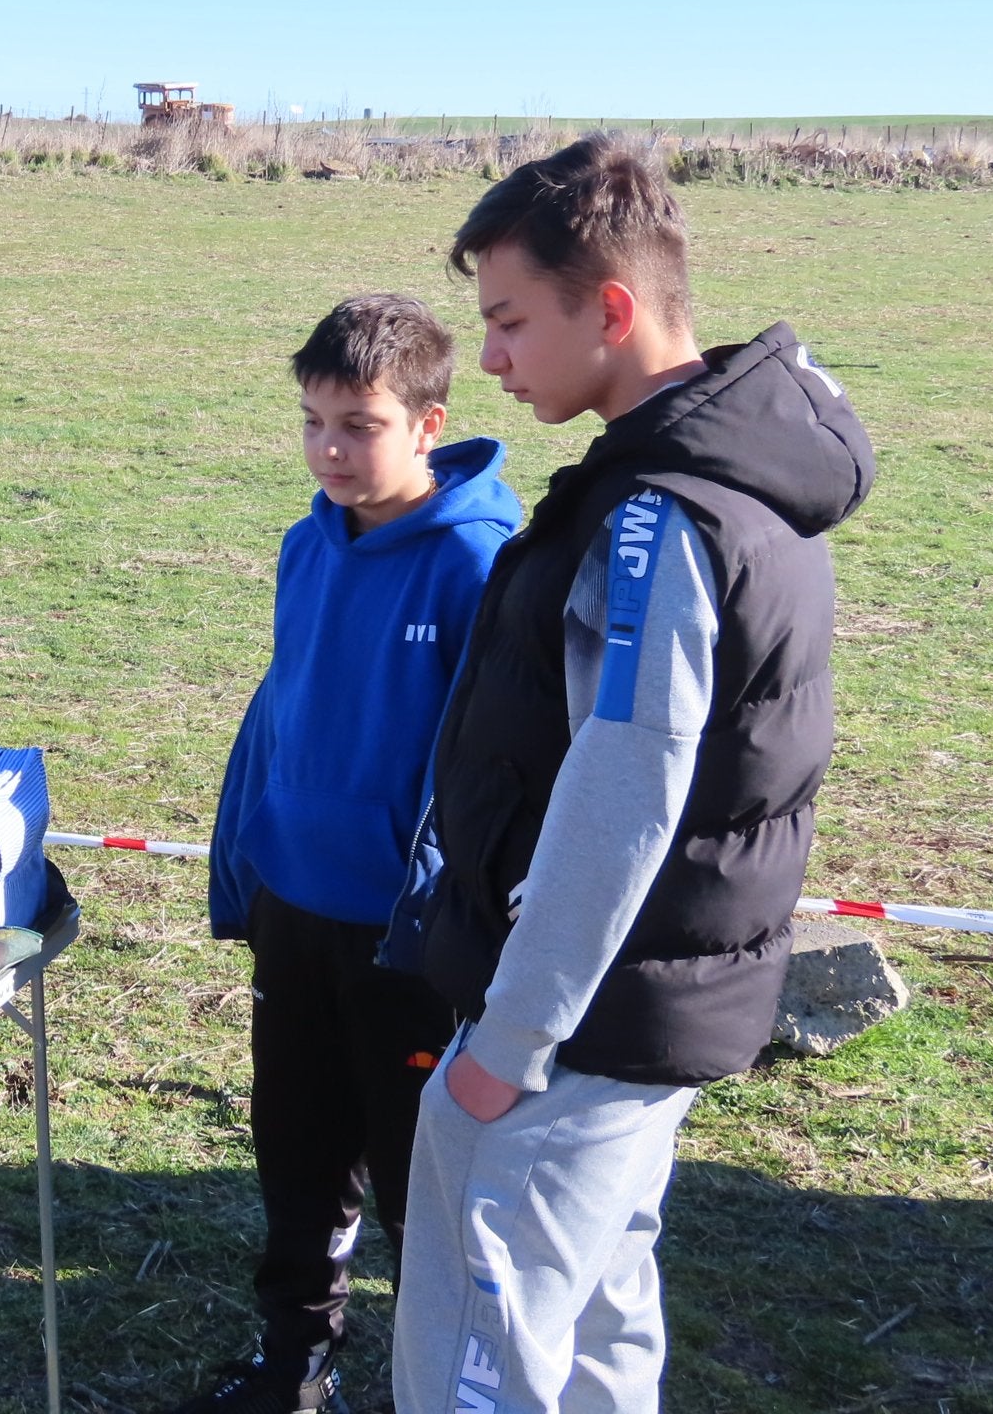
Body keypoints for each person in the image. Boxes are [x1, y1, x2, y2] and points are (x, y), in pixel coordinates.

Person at [389, 139, 875, 1414]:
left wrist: (508, 1041)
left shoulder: (661, 519)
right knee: (600, 1331)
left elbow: (622, 799)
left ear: (608, 307)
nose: (487, 358)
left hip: (568, 1038)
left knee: (477, 1370)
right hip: (633, 1022)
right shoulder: (723, 487)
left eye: (505, 321)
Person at [183, 294, 521, 1414]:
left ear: (427, 423)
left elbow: (488, 774)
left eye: (359, 425)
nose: (329, 449)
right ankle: (293, 1364)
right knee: (295, 1146)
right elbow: (283, 711)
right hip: (296, 905)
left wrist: (440, 911)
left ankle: (437, 1381)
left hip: (404, 939)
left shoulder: (479, 565)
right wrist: (252, 854)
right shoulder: (304, 545)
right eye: (312, 421)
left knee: (418, 1183)